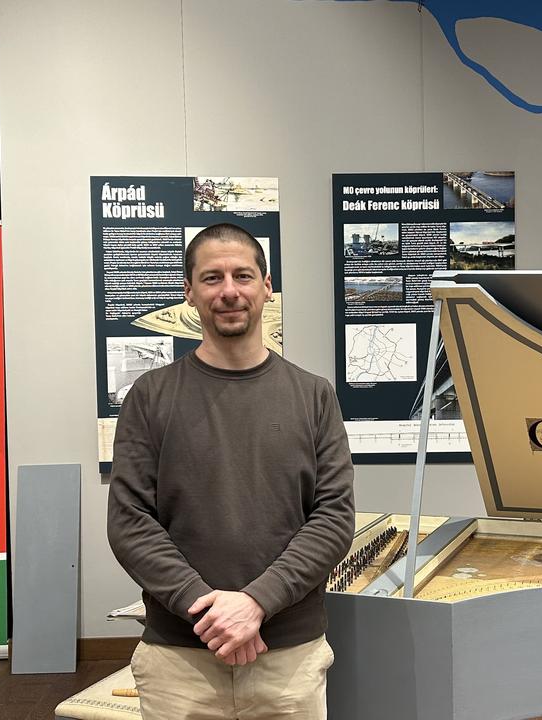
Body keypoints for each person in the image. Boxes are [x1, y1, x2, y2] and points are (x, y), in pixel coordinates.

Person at [107, 222, 355, 719]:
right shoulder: (150, 397)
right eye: (212, 278)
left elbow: (332, 518)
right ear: (189, 294)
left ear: (266, 287)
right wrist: (209, 609)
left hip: (288, 657)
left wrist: (256, 604)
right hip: (181, 661)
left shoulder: (313, 395)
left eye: (243, 276)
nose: (229, 292)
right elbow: (130, 521)